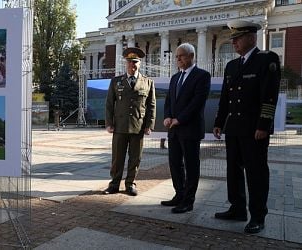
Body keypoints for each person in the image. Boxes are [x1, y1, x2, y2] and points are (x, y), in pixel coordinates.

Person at [213, 20, 281, 234]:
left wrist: (263, 124)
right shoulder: (232, 66)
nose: (234, 42)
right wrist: (218, 122)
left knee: (256, 173)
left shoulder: (266, 59)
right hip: (234, 127)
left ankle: (258, 216)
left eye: (238, 38)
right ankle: (237, 208)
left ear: (251, 37)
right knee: (233, 170)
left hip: (254, 129)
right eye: (232, 39)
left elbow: (269, 96)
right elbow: (226, 97)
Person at [161, 43, 211, 213]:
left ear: (191, 56)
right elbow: (169, 101)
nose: (177, 59)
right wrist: (167, 116)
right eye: (176, 56)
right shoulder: (175, 77)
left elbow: (197, 103)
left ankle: (188, 201)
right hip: (174, 130)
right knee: (175, 164)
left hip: (190, 129)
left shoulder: (202, 76)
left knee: (191, 166)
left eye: (180, 56)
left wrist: (179, 119)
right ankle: (179, 194)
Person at [104, 47, 156, 196]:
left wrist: (149, 125)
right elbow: (109, 104)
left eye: (135, 62)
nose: (132, 65)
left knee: (135, 158)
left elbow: (151, 105)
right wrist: (109, 123)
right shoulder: (116, 81)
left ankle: (130, 184)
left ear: (139, 64)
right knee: (117, 158)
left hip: (138, 127)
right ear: (125, 64)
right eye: (129, 62)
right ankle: (114, 184)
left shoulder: (148, 82)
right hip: (119, 126)